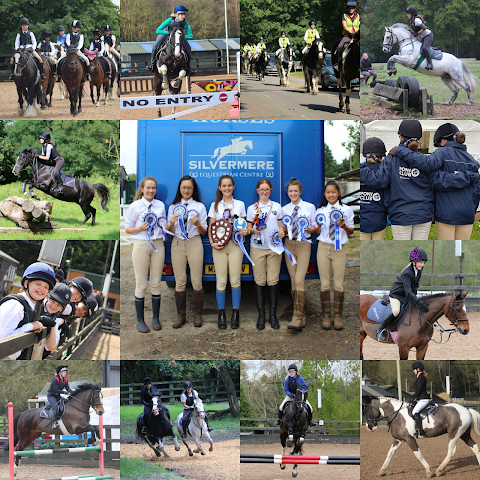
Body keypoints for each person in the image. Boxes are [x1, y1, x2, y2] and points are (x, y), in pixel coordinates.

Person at [394, 123, 480, 240]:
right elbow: (477, 191)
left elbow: (427, 165)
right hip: (467, 213)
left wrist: (401, 151)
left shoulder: (441, 153)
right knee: (460, 249)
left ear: (443, 141)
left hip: (446, 212)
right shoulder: (472, 160)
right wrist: (471, 209)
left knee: (447, 250)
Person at [359, 120, 434, 240]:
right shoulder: (426, 161)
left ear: (401, 137)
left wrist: (361, 169)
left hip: (401, 214)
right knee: (419, 247)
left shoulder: (391, 159)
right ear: (419, 138)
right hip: (423, 213)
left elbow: (379, 180)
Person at [126, 177, 166, 333]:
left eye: (153, 188)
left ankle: (155, 318)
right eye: (148, 188)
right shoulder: (135, 206)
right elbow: (128, 228)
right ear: (142, 189)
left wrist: (166, 226)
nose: (151, 191)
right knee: (141, 284)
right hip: (141, 244)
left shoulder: (160, 205)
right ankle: (140, 320)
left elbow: (163, 223)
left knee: (156, 283)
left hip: (158, 244)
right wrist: (139, 229)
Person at [166, 176, 207, 328]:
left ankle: (197, 315)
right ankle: (180, 316)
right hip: (177, 243)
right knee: (180, 281)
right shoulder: (173, 207)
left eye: (189, 188)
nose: (186, 190)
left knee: (197, 280)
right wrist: (171, 223)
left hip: (194, 243)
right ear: (179, 188)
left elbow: (203, 232)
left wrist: (197, 224)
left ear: (193, 189)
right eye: (184, 187)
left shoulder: (200, 207)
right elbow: (169, 233)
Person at [208, 175, 247, 330]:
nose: (227, 188)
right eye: (224, 186)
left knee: (236, 280)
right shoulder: (215, 205)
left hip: (235, 245)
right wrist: (212, 242)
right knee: (221, 281)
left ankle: (235, 313)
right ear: (219, 188)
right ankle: (221, 313)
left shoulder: (240, 204)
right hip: (219, 247)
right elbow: (211, 226)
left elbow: (243, 224)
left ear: (233, 187)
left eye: (229, 185)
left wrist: (243, 231)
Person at [245, 179, 284, 330]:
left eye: (267, 189)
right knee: (260, 281)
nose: (264, 192)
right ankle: (261, 316)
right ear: (257, 191)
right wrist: (253, 231)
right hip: (257, 248)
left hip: (274, 248)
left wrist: (282, 232)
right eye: (261, 189)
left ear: (271, 190)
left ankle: (272, 316)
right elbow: (248, 228)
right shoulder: (251, 208)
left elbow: (281, 225)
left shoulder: (277, 207)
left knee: (273, 281)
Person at [315, 181, 354, 331]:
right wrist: (317, 226)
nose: (331, 195)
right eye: (328, 192)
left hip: (339, 249)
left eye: (333, 192)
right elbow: (318, 232)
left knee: (339, 283)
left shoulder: (346, 210)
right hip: (323, 248)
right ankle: (326, 316)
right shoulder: (320, 210)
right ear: (325, 194)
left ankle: (337, 316)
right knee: (324, 283)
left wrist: (343, 226)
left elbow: (351, 231)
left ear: (338, 193)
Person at [281, 178, 317, 330]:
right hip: (289, 244)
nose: (293, 193)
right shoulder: (285, 209)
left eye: (296, 191)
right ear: (287, 193)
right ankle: (301, 316)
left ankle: (296, 316)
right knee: (293, 279)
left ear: (300, 192)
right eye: (291, 191)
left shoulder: (309, 207)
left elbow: (316, 227)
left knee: (299, 279)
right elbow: (282, 227)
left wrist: (309, 229)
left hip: (303, 245)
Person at [0, 262, 55, 360]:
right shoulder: (15, 305)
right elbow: (3, 340)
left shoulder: (30, 306)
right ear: (26, 283)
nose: (42, 289)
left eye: (46, 287)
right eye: (38, 284)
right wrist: (31, 326)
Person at [375, 248, 429, 342]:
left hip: (406, 295)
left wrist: (415, 299)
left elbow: (415, 286)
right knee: (396, 311)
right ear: (413, 262)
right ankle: (379, 329)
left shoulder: (418, 271)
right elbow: (408, 291)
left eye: (424, 262)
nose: (422, 265)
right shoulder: (407, 273)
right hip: (397, 295)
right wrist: (418, 302)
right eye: (420, 262)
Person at [149, 5, 193, 75]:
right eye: (182, 14)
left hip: (179, 37)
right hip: (167, 33)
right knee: (155, 46)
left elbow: (190, 36)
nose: (183, 16)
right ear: (177, 15)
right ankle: (152, 65)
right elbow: (158, 30)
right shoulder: (169, 20)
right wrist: (168, 33)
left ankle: (188, 67)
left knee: (189, 48)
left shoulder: (186, 23)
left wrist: (180, 36)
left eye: (184, 14)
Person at [360, 137, 389, 240]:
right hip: (379, 221)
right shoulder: (385, 172)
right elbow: (387, 200)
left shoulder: (359, 171)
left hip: (363, 222)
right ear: (381, 156)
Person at [42, 284, 73, 358]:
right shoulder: (36, 307)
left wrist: (54, 324)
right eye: (52, 301)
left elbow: (50, 347)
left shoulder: (54, 315)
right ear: (47, 297)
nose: (54, 306)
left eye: (59, 305)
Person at [410, 361, 430, 437]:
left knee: (415, 411)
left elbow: (419, 390)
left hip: (424, 399)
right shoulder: (419, 376)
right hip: (421, 399)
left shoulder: (421, 377)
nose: (413, 371)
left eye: (414, 369)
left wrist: (412, 397)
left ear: (418, 369)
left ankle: (420, 430)